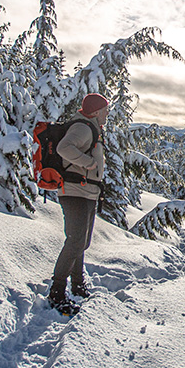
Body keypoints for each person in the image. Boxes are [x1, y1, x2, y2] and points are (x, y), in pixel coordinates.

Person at [46, 92, 109, 311]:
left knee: (81, 242)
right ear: (96, 111)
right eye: (105, 110)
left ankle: (77, 284)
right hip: (75, 192)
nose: (108, 114)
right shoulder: (83, 127)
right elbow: (64, 148)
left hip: (84, 192)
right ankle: (57, 293)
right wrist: (89, 163)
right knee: (75, 242)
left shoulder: (91, 127)